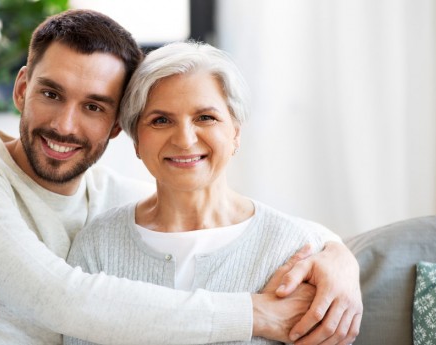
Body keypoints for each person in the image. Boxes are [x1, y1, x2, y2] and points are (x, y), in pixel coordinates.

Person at [0, 9, 361, 345]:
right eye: (51, 93)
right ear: (22, 89)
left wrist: (339, 257)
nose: (66, 125)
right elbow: (60, 298)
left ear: (116, 126)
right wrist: (256, 314)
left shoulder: (105, 197)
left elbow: (225, 215)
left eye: (93, 106)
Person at [63, 40, 360, 345]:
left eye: (205, 117)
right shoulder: (97, 248)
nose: (184, 139)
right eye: (161, 120)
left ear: (235, 132)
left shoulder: (295, 251)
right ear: (136, 140)